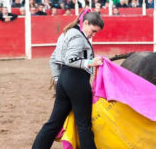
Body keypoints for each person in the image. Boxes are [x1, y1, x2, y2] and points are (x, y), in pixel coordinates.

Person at [32, 9, 104, 149]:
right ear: (86, 23)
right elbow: (70, 59)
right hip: (77, 81)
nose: (93, 35)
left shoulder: (66, 33)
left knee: (54, 123)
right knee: (84, 124)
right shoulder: (78, 36)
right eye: (93, 30)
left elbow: (53, 59)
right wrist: (89, 63)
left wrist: (59, 80)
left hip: (65, 80)